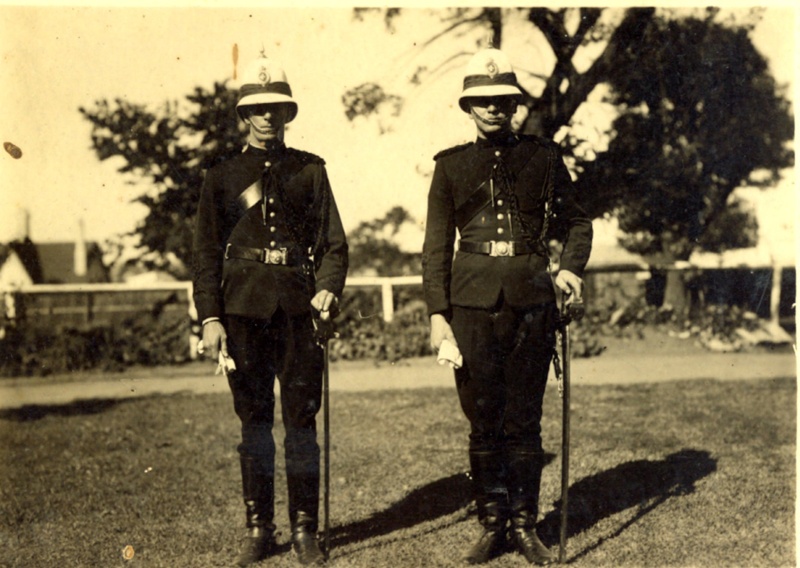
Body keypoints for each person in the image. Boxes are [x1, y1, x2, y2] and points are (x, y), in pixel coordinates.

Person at [422, 48, 592, 565]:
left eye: (504, 100)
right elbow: (435, 246)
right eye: (484, 101)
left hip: (531, 299)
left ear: (515, 105)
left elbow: (577, 223)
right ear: (468, 107)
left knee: (524, 417)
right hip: (470, 303)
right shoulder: (451, 167)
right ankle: (491, 522)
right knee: (482, 417)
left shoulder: (542, 158)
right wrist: (436, 314)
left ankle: (524, 524)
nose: (495, 108)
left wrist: (569, 268)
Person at [192, 54, 348, 566]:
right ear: (244, 116)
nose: (267, 118)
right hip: (240, 311)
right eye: (257, 110)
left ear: (288, 113)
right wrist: (211, 318)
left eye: (276, 109)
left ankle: (304, 530)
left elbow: (334, 245)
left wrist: (327, 288)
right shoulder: (221, 176)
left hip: (298, 312)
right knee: (254, 421)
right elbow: (206, 255)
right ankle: (259, 528)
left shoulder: (310, 170)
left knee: (301, 420)